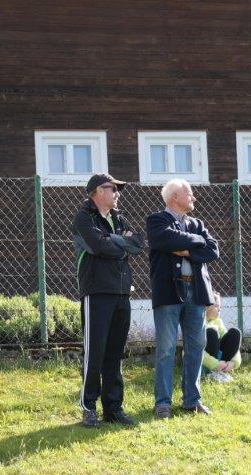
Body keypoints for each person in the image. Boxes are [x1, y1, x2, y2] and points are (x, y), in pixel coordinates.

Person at [72, 173, 144, 428]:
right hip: (97, 292)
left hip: (122, 292)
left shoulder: (118, 218)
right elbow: (98, 247)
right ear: (98, 191)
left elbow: (138, 243)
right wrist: (121, 244)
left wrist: (114, 240)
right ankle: (89, 407)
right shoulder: (84, 218)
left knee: (115, 353)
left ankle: (113, 409)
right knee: (95, 353)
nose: (117, 193)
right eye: (112, 188)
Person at [147, 178, 219, 418]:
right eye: (189, 193)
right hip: (169, 291)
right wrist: (197, 242)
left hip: (196, 292)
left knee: (196, 345)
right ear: (175, 196)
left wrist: (187, 249)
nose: (194, 197)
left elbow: (213, 250)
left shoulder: (197, 223)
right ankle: (163, 403)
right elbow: (166, 239)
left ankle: (192, 401)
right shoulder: (156, 221)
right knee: (166, 348)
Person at [201, 291, 242, 383]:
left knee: (235, 332)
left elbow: (232, 345)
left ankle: (222, 371)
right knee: (211, 332)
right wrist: (215, 364)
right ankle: (210, 372)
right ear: (206, 307)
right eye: (216, 306)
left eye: (220, 306)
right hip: (204, 363)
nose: (219, 309)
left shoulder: (218, 321)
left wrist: (234, 363)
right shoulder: (197, 323)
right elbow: (196, 351)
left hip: (219, 361)